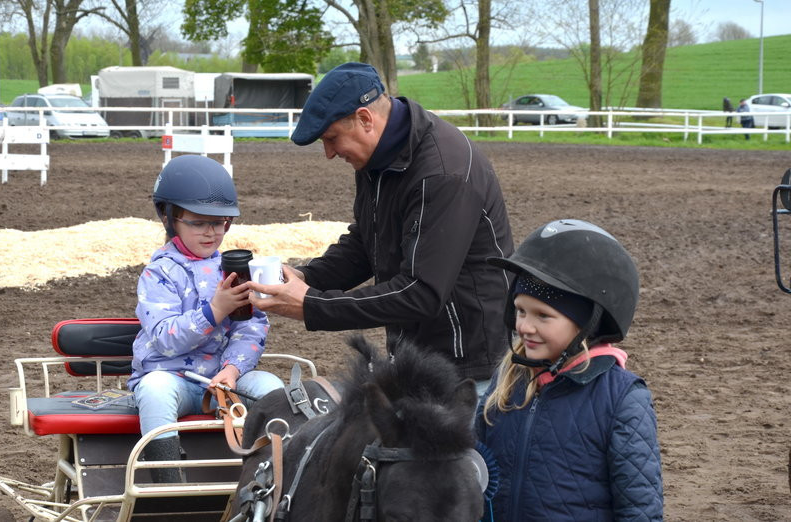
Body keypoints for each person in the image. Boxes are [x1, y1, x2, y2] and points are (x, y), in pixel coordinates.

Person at [249, 62, 514, 388]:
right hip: (415, 355)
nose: (329, 154)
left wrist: (312, 305)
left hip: (468, 367)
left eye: (331, 138)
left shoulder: (443, 172)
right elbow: (366, 243)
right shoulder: (379, 159)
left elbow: (421, 291)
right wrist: (305, 277)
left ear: (365, 119)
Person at [476, 219, 663, 520]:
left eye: (543, 316)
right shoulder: (507, 380)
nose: (524, 326)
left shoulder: (621, 399)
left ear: (586, 323)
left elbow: (640, 509)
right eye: (521, 310)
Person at [129, 155, 283, 482]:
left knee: (272, 388)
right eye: (198, 222)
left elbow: (251, 326)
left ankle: (271, 481)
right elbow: (164, 337)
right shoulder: (159, 273)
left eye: (220, 222)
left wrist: (232, 369)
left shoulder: (233, 269)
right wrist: (215, 310)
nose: (211, 232)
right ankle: (167, 480)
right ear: (169, 217)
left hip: (222, 380)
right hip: (172, 377)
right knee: (154, 389)